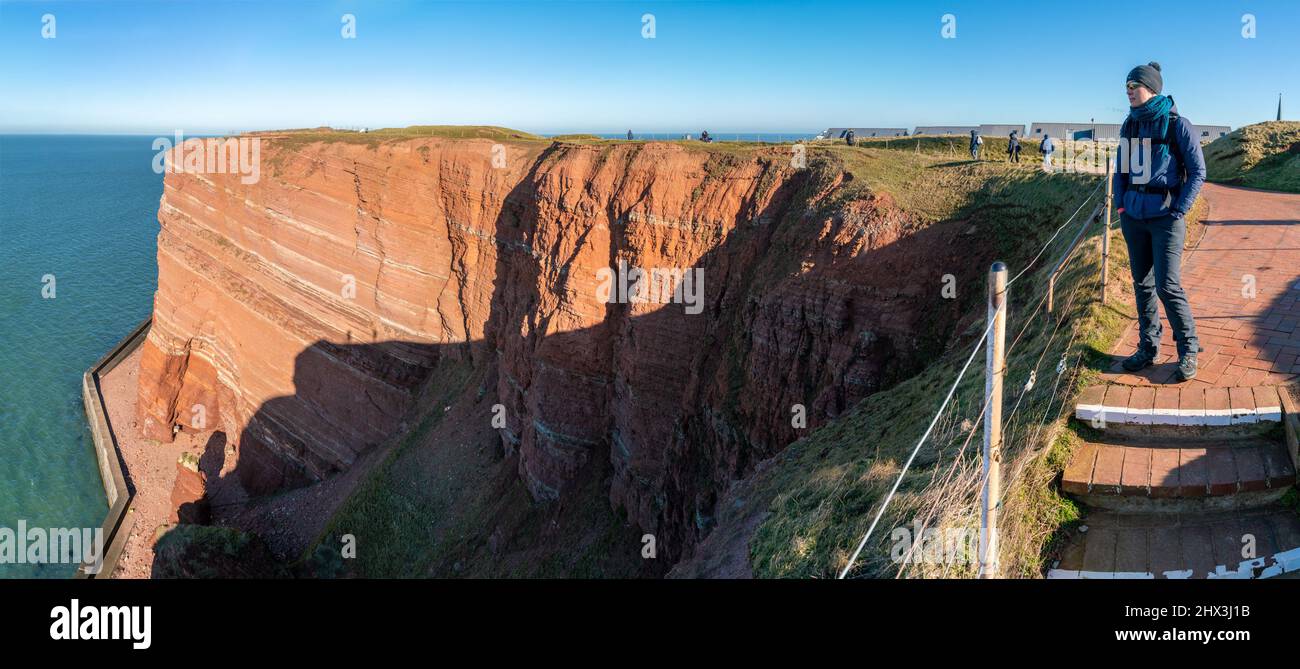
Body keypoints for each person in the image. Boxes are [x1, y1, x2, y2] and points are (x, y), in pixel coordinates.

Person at [1114, 61, 1206, 381]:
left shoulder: (1177, 125)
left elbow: (1198, 172)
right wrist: (1122, 208)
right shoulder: (1129, 125)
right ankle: (1148, 347)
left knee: (1167, 286)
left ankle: (1188, 348)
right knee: (1142, 285)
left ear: (1151, 89)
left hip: (1166, 219)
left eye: (1133, 86)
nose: (1128, 92)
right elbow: (1120, 172)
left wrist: (1179, 210)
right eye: (1125, 87)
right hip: (1134, 218)